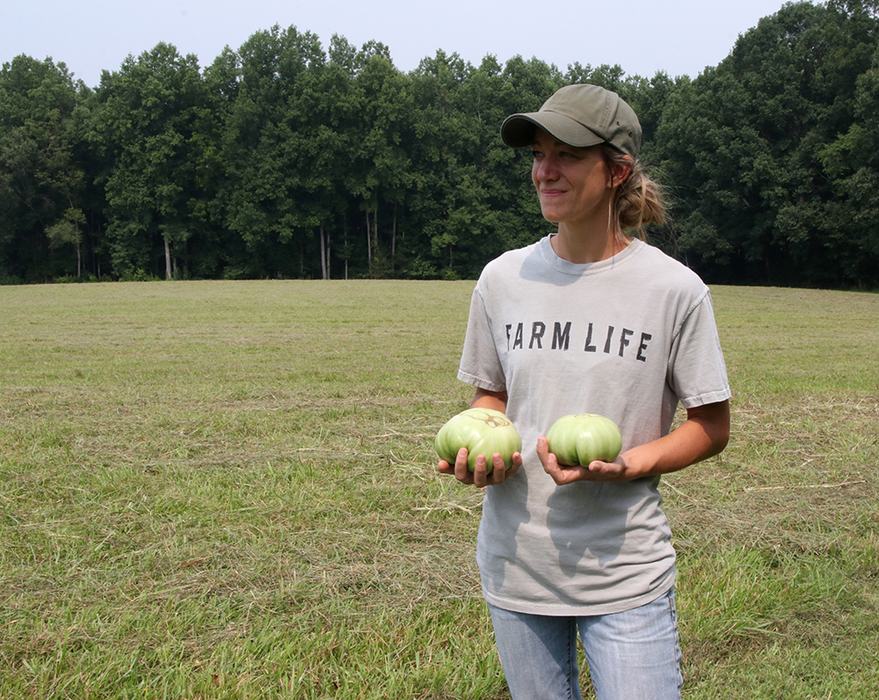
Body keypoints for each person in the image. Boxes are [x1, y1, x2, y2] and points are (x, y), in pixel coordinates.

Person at [437, 84, 731, 700]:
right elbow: (489, 399)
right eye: (538, 154)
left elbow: (710, 425)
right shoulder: (502, 279)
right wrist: (482, 451)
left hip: (622, 569)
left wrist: (627, 466)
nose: (544, 170)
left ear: (617, 170)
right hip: (518, 565)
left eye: (565, 154)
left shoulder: (674, 290)